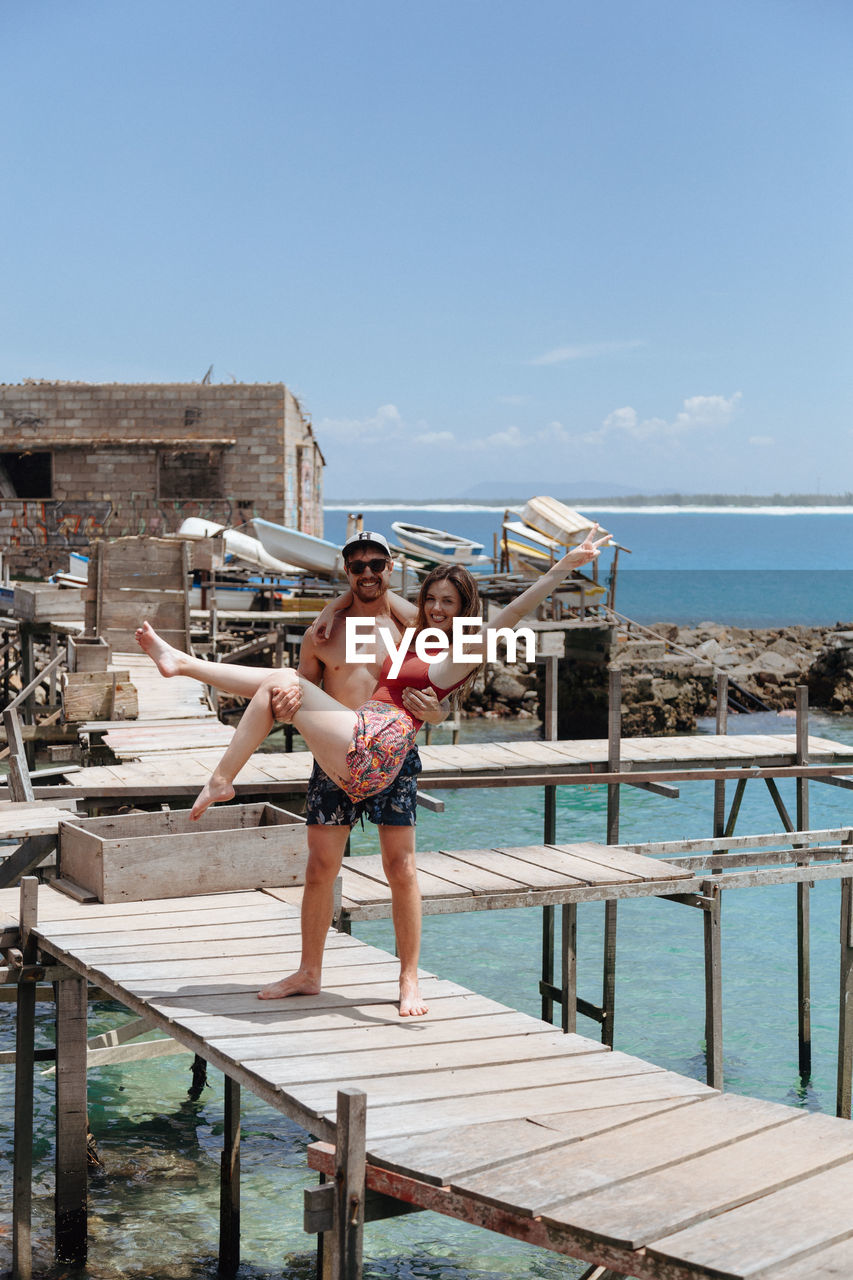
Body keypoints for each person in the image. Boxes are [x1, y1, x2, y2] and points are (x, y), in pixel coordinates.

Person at [135, 530, 449, 1017]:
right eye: (356, 566)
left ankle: (408, 978)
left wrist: (437, 716)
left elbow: (445, 691)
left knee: (400, 868)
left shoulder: (412, 626)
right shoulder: (322, 633)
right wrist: (288, 698)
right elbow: (300, 691)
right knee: (320, 867)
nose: (367, 573)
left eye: (376, 564)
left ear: (392, 566)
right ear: (345, 571)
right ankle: (309, 972)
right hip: (335, 757)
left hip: (393, 757)